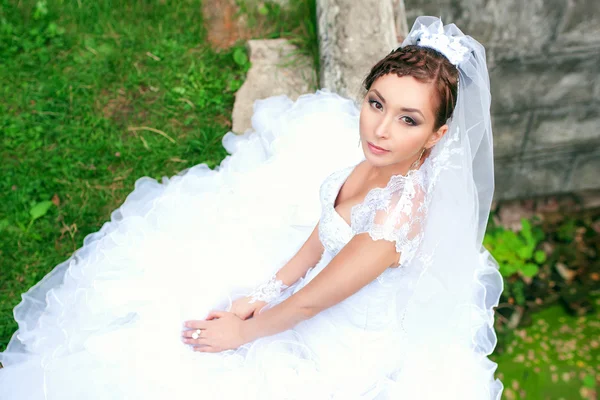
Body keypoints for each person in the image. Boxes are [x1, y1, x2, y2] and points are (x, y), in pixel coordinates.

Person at [0, 17, 504, 399]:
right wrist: (262, 292)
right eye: (376, 103)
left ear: (437, 136)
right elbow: (320, 235)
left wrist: (241, 331)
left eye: (408, 119)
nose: (381, 129)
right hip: (316, 289)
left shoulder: (396, 218)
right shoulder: (381, 160)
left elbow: (313, 303)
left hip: (343, 334)